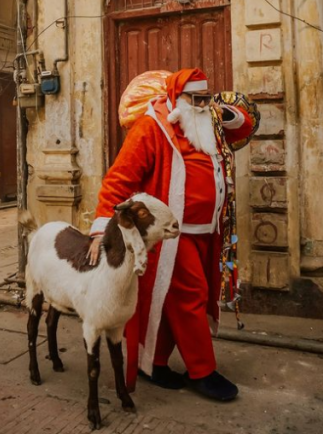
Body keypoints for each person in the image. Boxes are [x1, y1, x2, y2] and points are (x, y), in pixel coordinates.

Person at [88, 68, 256, 401]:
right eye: (196, 99)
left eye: (207, 98)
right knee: (190, 297)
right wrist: (100, 231)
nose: (202, 105)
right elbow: (117, 181)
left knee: (171, 301)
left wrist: (219, 109)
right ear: (177, 99)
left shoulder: (206, 121)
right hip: (172, 236)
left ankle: (155, 361)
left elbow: (244, 127)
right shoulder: (152, 128)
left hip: (208, 231)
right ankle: (203, 371)